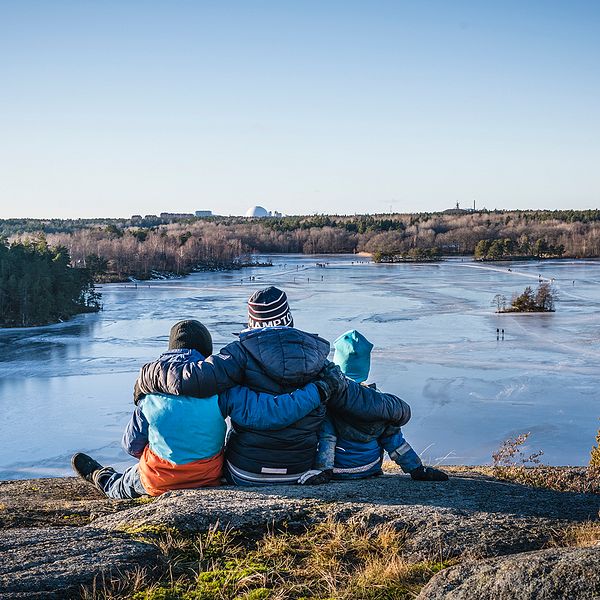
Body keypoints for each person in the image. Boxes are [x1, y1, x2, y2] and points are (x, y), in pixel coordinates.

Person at [135, 287, 411, 486]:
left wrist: (145, 378)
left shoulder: (238, 354)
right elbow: (363, 401)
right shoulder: (318, 360)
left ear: (252, 322)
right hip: (299, 469)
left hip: (245, 471)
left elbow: (191, 380)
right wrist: (400, 410)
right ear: (288, 319)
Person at [72, 319, 330, 498]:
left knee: (126, 483)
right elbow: (268, 413)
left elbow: (131, 445)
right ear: (206, 354)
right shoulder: (221, 390)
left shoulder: (149, 391)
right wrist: (317, 390)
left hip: (160, 479)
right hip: (210, 475)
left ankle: (103, 478)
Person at [314, 330, 448, 481]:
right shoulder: (380, 403)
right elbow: (394, 441)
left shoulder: (331, 399)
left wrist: (323, 471)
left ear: (338, 364)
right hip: (370, 467)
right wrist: (416, 469)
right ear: (366, 366)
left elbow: (327, 438)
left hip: (338, 470)